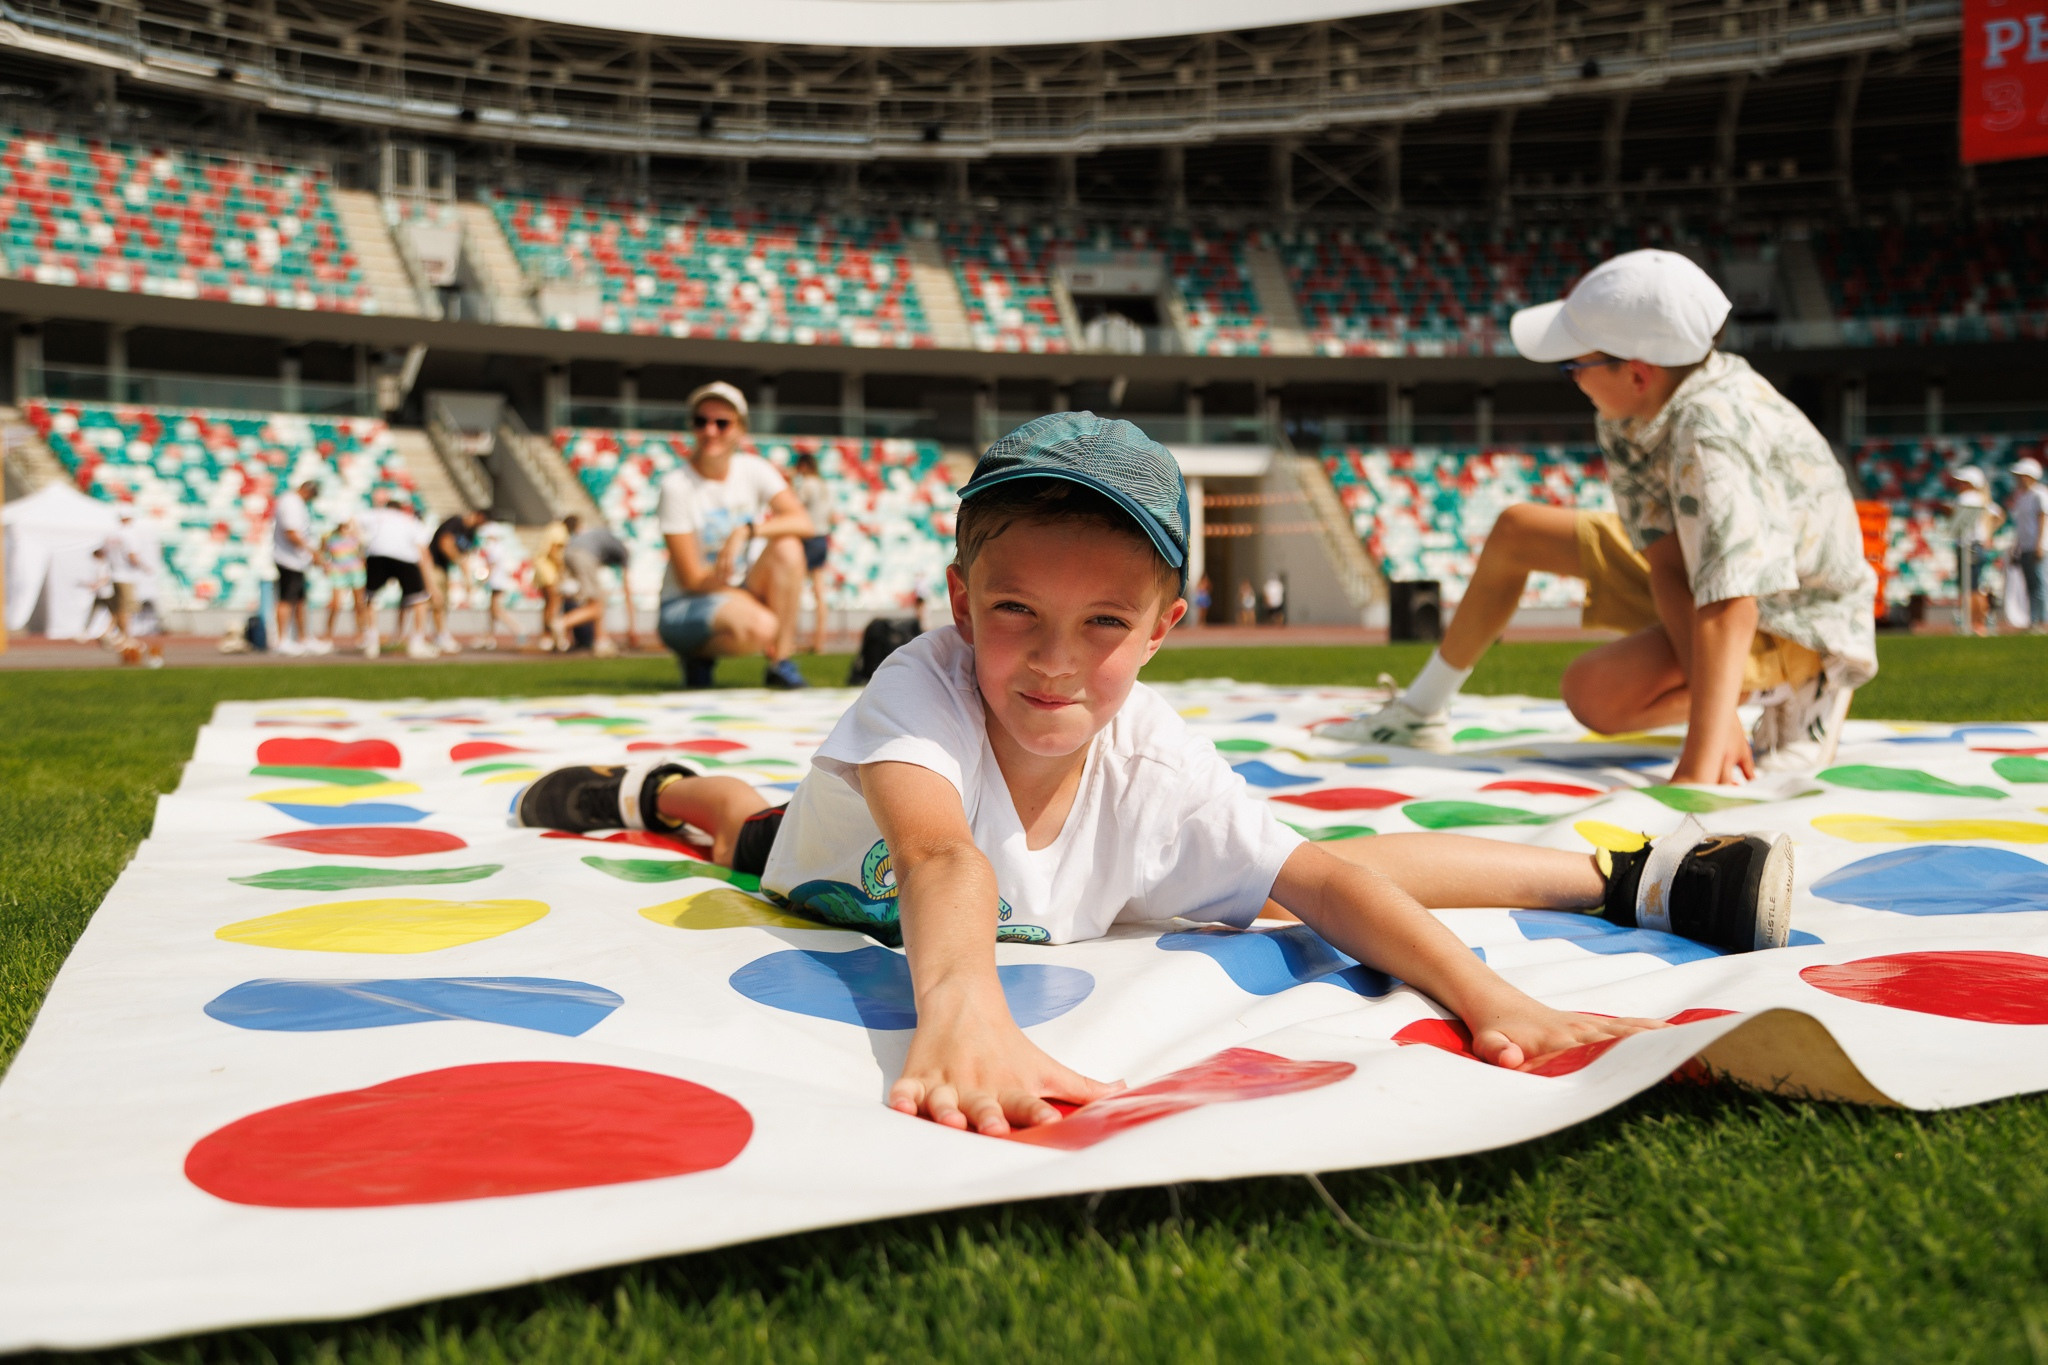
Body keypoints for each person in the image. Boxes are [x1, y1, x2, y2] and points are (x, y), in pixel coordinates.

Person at [512, 412, 1795, 1135]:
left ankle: (1626, 873)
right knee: (741, 828)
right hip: (841, 866)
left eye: (1104, 625)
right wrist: (963, 1017)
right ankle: (650, 785)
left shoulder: (1154, 762)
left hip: (1058, 890)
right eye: (1013, 612)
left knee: (1296, 884)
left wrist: (1487, 995)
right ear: (956, 603)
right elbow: (937, 857)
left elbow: (1325, 876)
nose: (1052, 665)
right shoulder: (922, 682)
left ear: (1165, 626)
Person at [1321, 250, 1878, 780]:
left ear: (1637, 374)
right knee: (1519, 531)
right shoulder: (1637, 406)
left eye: (1574, 366)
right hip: (1710, 573)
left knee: (1594, 692)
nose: (1572, 378)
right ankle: (1420, 712)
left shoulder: (1711, 430)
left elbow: (1734, 601)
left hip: (1797, 614)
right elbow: (1668, 565)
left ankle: (1807, 682)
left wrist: (1698, 765)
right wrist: (1720, 713)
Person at [655, 381, 815, 690]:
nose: (710, 431)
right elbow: (691, 579)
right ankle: (696, 653)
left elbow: (802, 522)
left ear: (740, 429)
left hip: (733, 589)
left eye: (722, 423)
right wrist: (757, 604)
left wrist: (747, 530)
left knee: (789, 547)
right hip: (684, 605)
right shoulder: (676, 485)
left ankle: (780, 663)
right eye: (701, 421)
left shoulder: (753, 469)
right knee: (763, 625)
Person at [361, 492, 438, 659]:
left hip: (376, 555)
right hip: (405, 557)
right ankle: (417, 643)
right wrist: (430, 584)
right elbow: (423, 551)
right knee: (420, 600)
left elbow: (351, 522)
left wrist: (360, 549)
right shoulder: (410, 520)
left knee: (370, 597)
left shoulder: (376, 514)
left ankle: (372, 641)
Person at [561, 518, 637, 657]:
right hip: (583, 556)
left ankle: (600, 641)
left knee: (594, 600)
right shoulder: (622, 551)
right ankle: (562, 623)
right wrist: (632, 629)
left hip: (569, 553)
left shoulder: (603, 540)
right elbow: (628, 592)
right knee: (597, 604)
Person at [270, 477, 328, 656]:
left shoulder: (294, 502)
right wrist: (313, 552)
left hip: (296, 560)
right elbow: (291, 532)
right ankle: (282, 640)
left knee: (300, 600)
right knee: (286, 599)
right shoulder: (291, 503)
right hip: (289, 559)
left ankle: (303, 638)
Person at [1946, 466, 2004, 637]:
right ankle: (1980, 622)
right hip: (1976, 545)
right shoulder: (1983, 499)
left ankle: (1975, 623)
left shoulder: (1967, 498)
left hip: (1968, 546)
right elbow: (2000, 516)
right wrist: (1988, 534)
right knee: (1975, 586)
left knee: (1969, 588)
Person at [790, 450, 836, 654]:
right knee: (819, 593)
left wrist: (790, 482)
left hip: (808, 538)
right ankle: (819, 641)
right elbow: (832, 515)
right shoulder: (825, 486)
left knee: (793, 590)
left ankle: (789, 640)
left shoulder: (807, 484)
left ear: (803, 466)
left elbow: (793, 507)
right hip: (822, 538)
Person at [428, 508, 489, 655]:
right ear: (479, 516)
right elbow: (445, 544)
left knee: (443, 604)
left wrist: (467, 578)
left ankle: (440, 635)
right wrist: (460, 561)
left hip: (444, 568)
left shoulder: (471, 533)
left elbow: (466, 556)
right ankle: (437, 636)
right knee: (436, 602)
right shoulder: (456, 522)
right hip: (432, 566)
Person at [320, 515, 370, 649]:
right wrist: (326, 566)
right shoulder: (328, 537)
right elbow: (323, 554)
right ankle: (328, 634)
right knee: (336, 605)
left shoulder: (356, 536)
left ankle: (362, 634)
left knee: (359, 604)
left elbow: (363, 553)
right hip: (338, 572)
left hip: (355, 571)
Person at [2010, 457, 2047, 634]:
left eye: (2021, 475)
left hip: (2038, 546)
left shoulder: (2040, 494)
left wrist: (2040, 544)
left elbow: (2042, 519)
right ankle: (2033, 621)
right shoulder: (2022, 497)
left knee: (2040, 585)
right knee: (2031, 586)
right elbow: (2021, 525)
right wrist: (2017, 546)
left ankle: (2041, 621)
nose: (2018, 479)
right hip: (2026, 546)